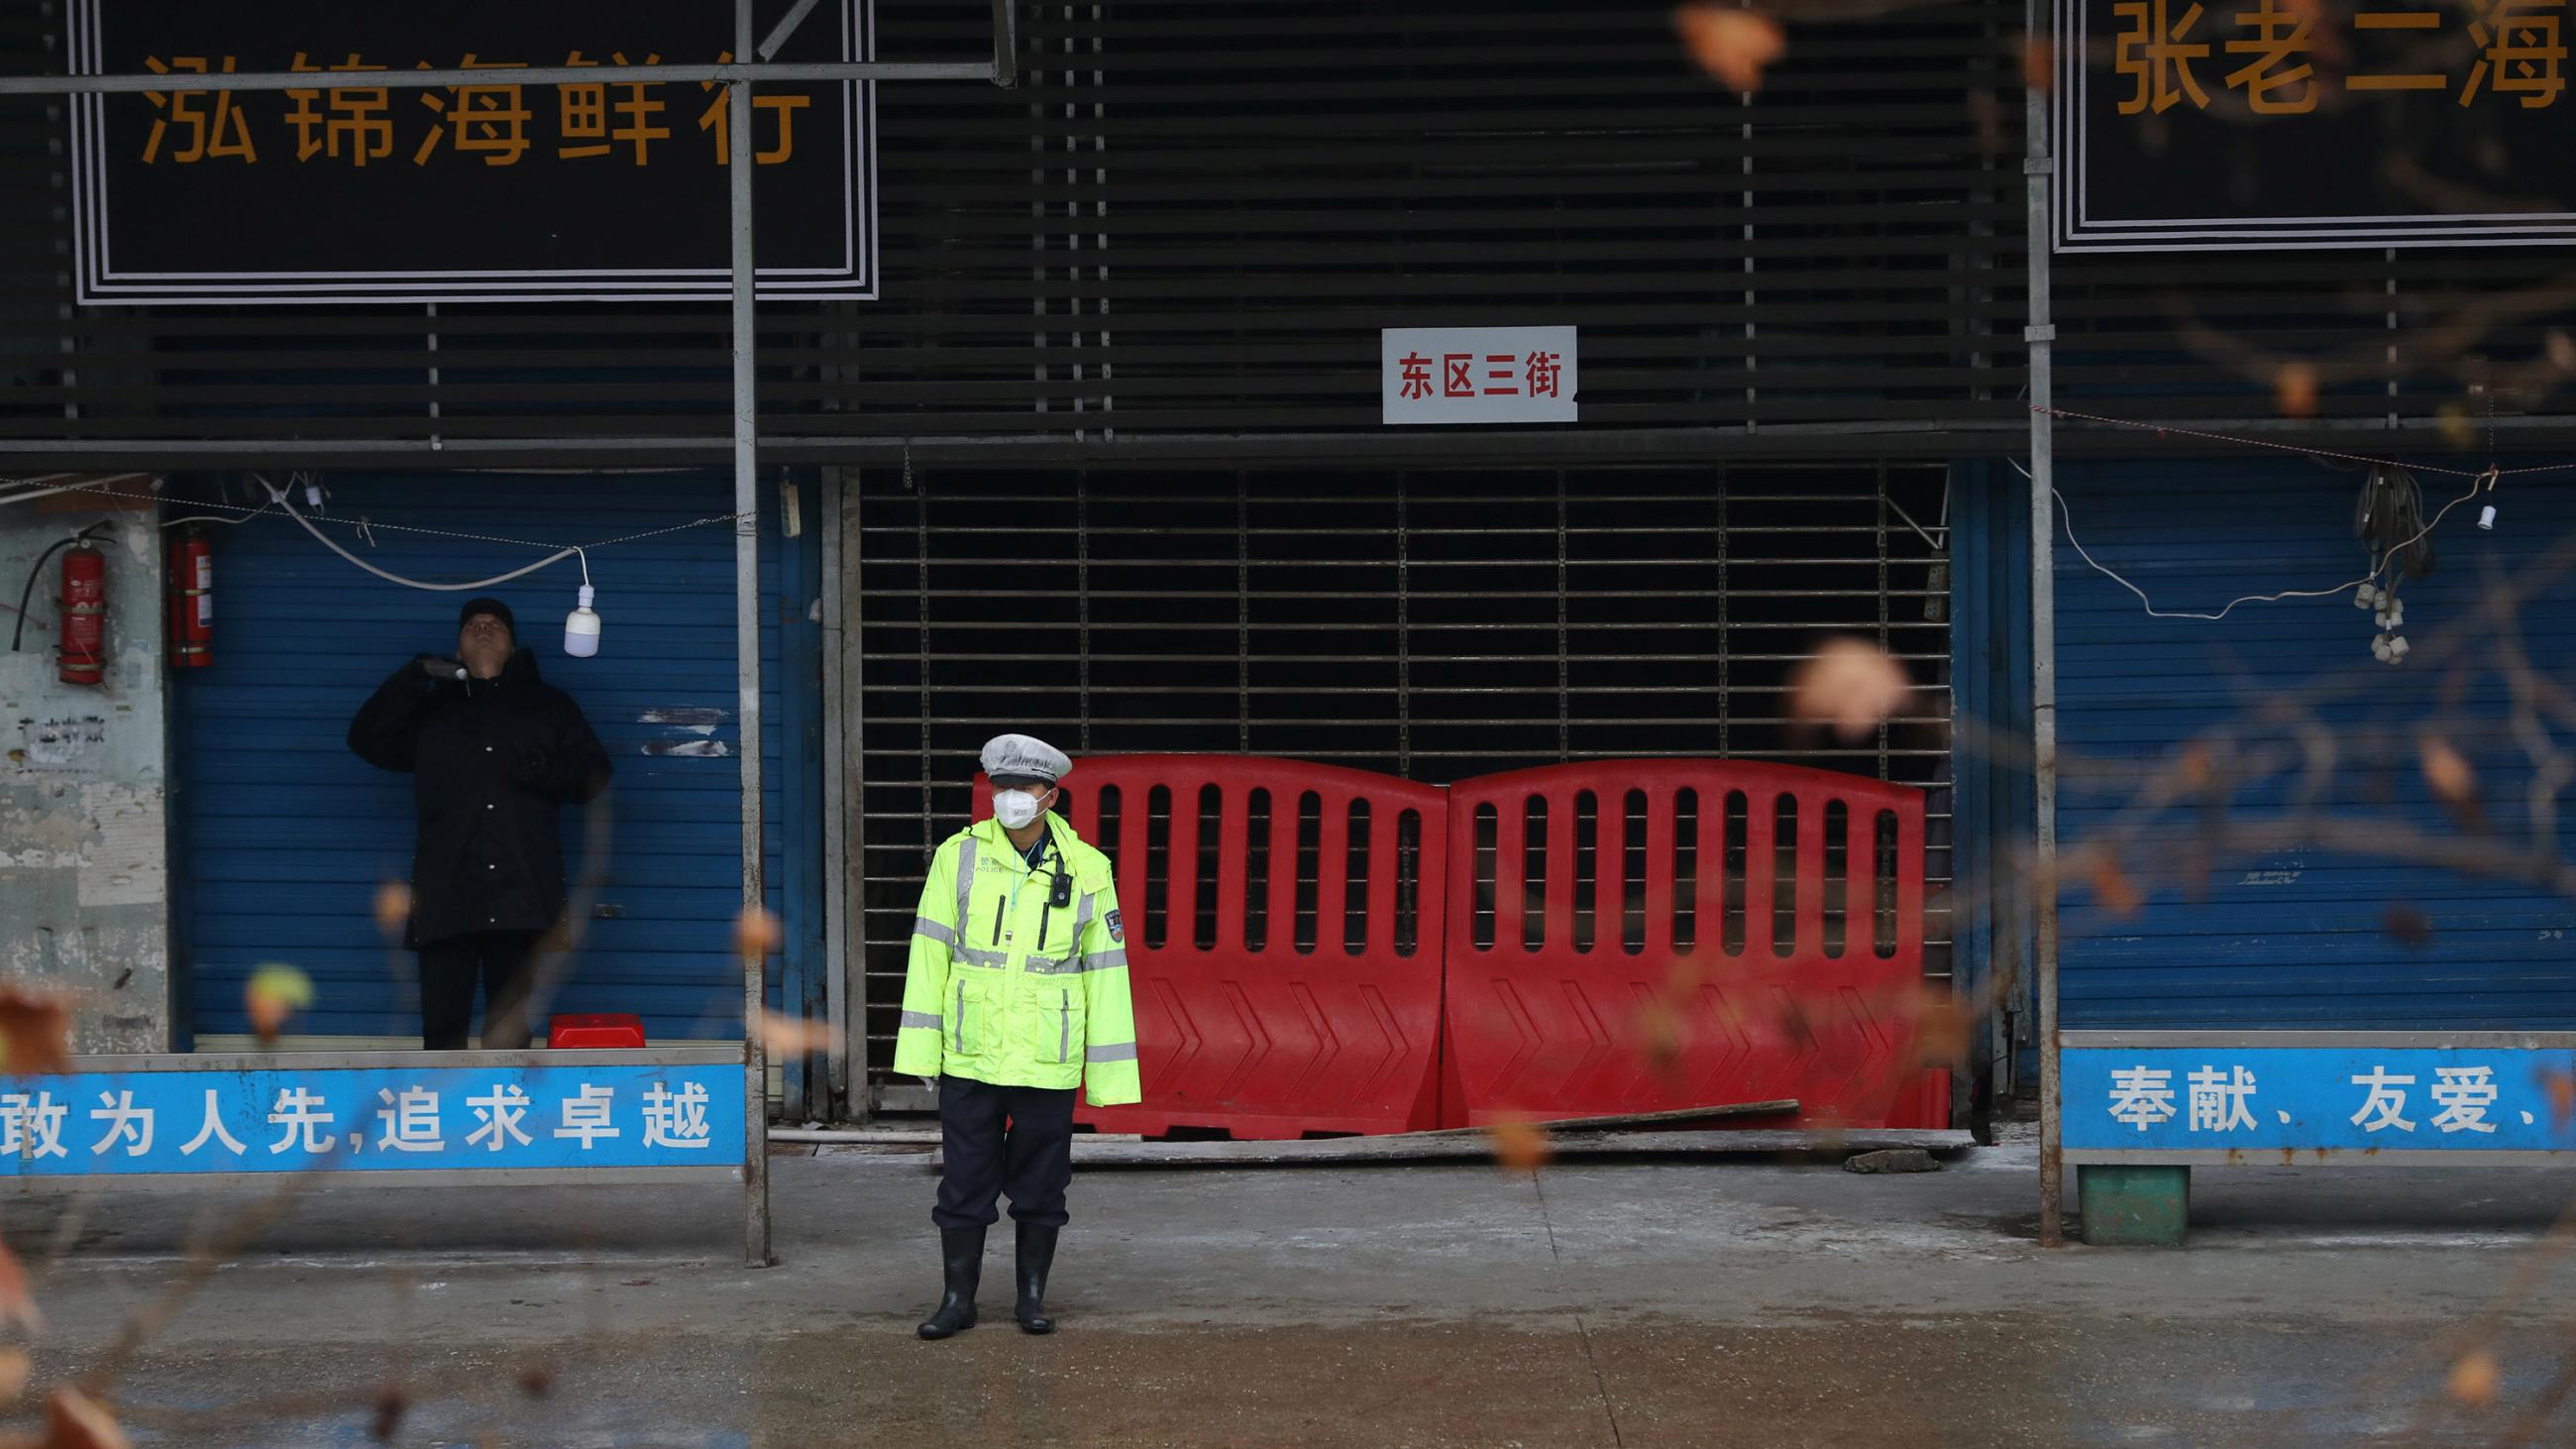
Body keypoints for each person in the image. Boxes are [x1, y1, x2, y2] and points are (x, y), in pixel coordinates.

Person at [897, 733, 1141, 1339]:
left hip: (1045, 1059)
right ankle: (958, 1299)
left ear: (1049, 797)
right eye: (1001, 787)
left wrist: (1108, 1076)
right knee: (965, 1182)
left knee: (1041, 1185)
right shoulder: (959, 856)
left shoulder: (1088, 868)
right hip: (972, 1054)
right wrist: (923, 1051)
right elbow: (928, 954)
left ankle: (1031, 1299)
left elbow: (1107, 973)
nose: (1010, 798)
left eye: (1024, 788)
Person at [347, 596, 611, 1051]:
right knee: (442, 1032)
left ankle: (505, 1119)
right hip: (447, 896)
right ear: (458, 648)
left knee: (509, 1035)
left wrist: (542, 768)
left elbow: (594, 775)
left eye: (495, 625)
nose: (484, 629)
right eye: (473, 625)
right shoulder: (432, 713)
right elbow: (367, 740)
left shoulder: (548, 707)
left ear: (513, 645)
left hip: (522, 897)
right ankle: (448, 1122)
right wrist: (413, 677)